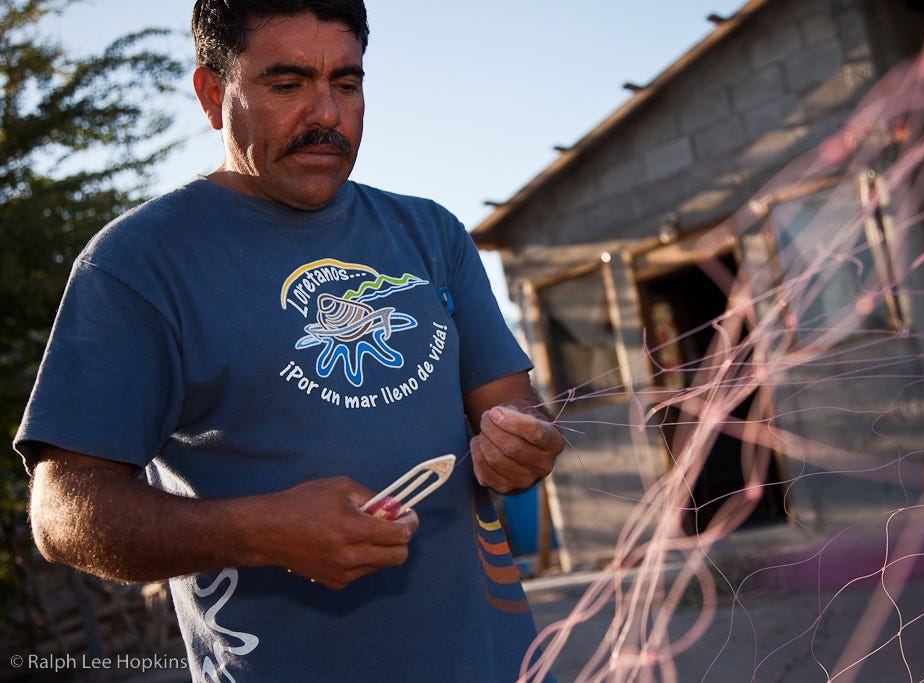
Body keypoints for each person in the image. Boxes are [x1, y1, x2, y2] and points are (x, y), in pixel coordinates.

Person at [15, 1, 565, 680]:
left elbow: (516, 409)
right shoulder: (136, 266)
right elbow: (62, 511)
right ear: (214, 94)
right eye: (287, 84)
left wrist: (523, 446)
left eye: (346, 83)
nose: (327, 115)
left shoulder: (432, 234)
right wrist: (258, 529)